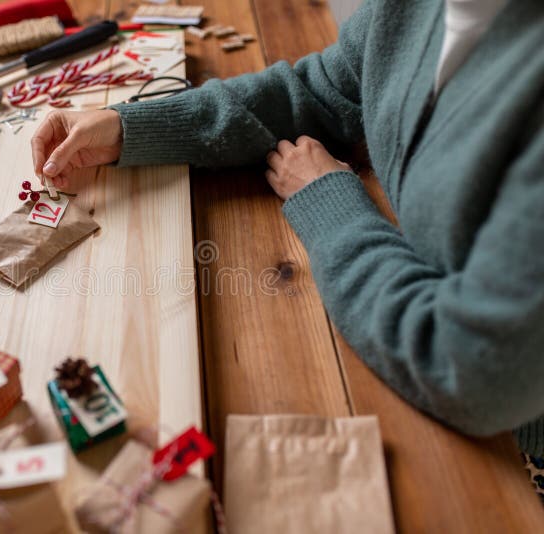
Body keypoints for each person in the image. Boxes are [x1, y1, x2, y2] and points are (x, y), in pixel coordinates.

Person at [31, 0, 544, 488]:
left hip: (512, 454)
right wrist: (130, 126)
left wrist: (329, 203)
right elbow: (324, 92)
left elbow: (473, 372)